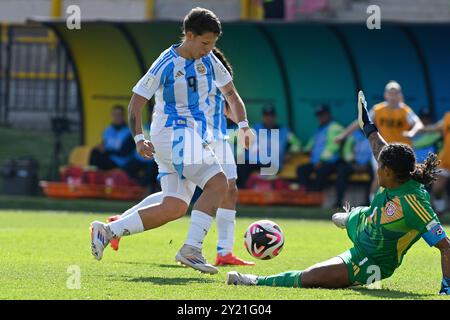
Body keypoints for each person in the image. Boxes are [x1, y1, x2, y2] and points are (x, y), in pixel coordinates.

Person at [226, 91, 450, 296]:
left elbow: (445, 246)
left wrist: (447, 287)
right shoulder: (395, 168)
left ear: (389, 172)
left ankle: (253, 281)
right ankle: (350, 218)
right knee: (349, 217)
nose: (377, 167)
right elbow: (377, 145)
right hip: (365, 221)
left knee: (312, 277)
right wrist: (367, 124)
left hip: (371, 261)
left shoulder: (415, 203)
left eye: (380, 166)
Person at [89, 7, 255, 274]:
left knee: (174, 207)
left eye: (213, 43)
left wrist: (245, 126)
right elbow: (135, 103)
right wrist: (138, 138)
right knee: (219, 183)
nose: (209, 48)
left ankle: (107, 231)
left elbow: (232, 95)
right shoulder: (167, 62)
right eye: (205, 43)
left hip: (188, 138)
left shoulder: (211, 60)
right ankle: (192, 249)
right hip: (173, 134)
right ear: (189, 35)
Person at [335, 81, 424, 200]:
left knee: (402, 180)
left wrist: (412, 132)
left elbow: (418, 124)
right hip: (382, 149)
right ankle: (374, 206)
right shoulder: (378, 109)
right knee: (380, 178)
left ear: (400, 95)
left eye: (395, 93)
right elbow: (360, 122)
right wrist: (343, 135)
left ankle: (399, 206)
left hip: (402, 154)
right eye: (390, 93)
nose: (393, 96)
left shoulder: (405, 111)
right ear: (385, 95)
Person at [236, 105, 301, 188]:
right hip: (254, 161)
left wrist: (289, 152)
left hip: (272, 163)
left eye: (271, 116)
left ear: (275, 117)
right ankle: (241, 193)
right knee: (241, 164)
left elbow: (297, 145)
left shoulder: (284, 131)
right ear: (263, 117)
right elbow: (242, 141)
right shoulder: (255, 128)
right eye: (266, 116)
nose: (269, 118)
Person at [296, 104, 344, 197]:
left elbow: (332, 147)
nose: (320, 117)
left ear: (328, 114)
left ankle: (316, 194)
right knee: (301, 170)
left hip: (330, 162)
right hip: (316, 162)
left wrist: (322, 160)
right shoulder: (319, 129)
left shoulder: (335, 127)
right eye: (319, 115)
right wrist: (305, 150)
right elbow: (311, 144)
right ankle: (307, 193)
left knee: (321, 172)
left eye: (323, 114)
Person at [408, 111, 450, 215]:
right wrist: (416, 130)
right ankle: (440, 212)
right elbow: (434, 128)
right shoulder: (448, 116)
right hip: (446, 160)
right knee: (437, 189)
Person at [89, 105, 135, 172]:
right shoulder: (108, 130)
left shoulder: (129, 132)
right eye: (115, 115)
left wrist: (107, 151)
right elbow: (105, 144)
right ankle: (91, 175)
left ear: (124, 116)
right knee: (95, 151)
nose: (117, 117)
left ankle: (93, 175)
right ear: (112, 115)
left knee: (99, 160)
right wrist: (100, 147)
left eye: (119, 115)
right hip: (108, 158)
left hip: (120, 162)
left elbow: (124, 153)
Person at [337, 128, 373, 207]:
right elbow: (347, 150)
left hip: (369, 164)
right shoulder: (353, 134)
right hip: (354, 164)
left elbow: (376, 150)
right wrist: (353, 163)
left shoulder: (374, 133)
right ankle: (338, 202)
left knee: (375, 173)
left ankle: (368, 203)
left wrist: (368, 164)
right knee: (342, 170)